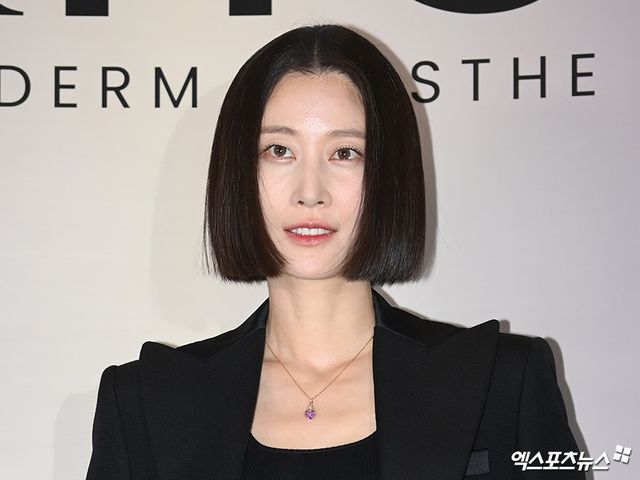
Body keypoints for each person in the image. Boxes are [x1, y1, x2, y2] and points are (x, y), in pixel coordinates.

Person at [86, 24, 584, 480]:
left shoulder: (505, 382)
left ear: (389, 175)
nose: (311, 192)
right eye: (279, 151)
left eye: (345, 153)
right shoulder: (143, 404)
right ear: (237, 173)